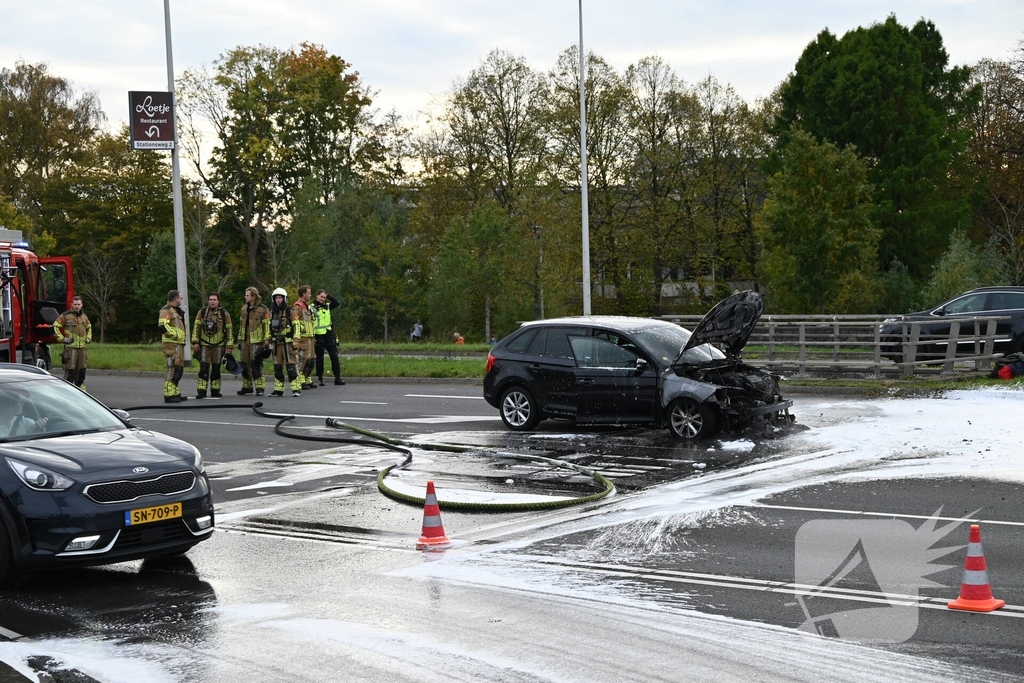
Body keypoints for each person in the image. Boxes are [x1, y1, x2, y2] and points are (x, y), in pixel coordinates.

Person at [192, 293, 233, 399]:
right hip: (205, 345)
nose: (212, 301)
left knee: (216, 368)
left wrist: (229, 346)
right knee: (204, 368)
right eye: (210, 299)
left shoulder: (224, 314)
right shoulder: (202, 312)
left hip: (218, 346)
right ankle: (201, 391)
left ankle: (215, 390)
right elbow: (196, 327)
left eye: (214, 299)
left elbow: (229, 330)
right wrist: (195, 342)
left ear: (218, 301)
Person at [236, 286, 271, 396]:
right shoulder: (243, 309)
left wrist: (266, 340)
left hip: (257, 340)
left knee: (256, 363)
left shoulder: (263, 309)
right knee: (244, 363)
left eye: (247, 295)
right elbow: (241, 325)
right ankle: (247, 386)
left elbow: (267, 326)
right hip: (245, 339)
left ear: (253, 296)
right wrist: (239, 339)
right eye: (245, 295)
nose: (245, 297)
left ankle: (260, 387)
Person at [52, 295, 91, 391]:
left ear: (82, 305)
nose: (77, 306)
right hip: (70, 349)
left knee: (82, 371)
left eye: (78, 304)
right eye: (75, 304)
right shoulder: (65, 316)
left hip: (82, 349)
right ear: (71, 304)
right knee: (70, 372)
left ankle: (82, 392)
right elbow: (55, 326)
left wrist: (89, 338)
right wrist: (62, 339)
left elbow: (89, 327)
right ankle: (67, 392)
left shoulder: (84, 316)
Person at [268, 287, 301, 397]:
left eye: (280, 298)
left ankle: (296, 389)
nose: (278, 300)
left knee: (291, 366)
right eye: (276, 298)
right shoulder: (272, 312)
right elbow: (268, 328)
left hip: (288, 343)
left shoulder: (290, 311)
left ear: (284, 299)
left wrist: (296, 341)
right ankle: (278, 389)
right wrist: (268, 341)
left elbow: (297, 327)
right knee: (277, 367)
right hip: (277, 344)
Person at [159, 290, 188, 403]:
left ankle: (175, 392)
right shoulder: (166, 310)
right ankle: (168, 395)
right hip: (171, 344)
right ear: (176, 299)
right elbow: (162, 326)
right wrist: (175, 335)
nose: (181, 300)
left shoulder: (176, 311)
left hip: (178, 344)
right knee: (171, 369)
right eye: (180, 298)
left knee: (178, 369)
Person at [312, 289, 344, 386]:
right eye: (321, 297)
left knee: (334, 356)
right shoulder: (311, 308)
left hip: (328, 335)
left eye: (325, 297)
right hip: (318, 336)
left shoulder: (327, 306)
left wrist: (328, 295)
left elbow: (337, 302)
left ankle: (337, 377)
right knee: (319, 358)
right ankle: (320, 378)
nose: (323, 299)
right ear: (317, 296)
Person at [293, 285, 317, 390]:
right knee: (304, 360)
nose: (310, 295)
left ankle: (307, 378)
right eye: (309, 293)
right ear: (303, 294)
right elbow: (295, 321)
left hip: (310, 337)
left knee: (311, 360)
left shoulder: (306, 306)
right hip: (303, 338)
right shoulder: (297, 306)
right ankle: (301, 380)